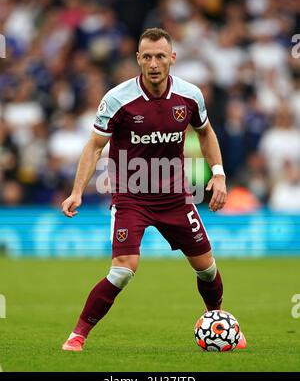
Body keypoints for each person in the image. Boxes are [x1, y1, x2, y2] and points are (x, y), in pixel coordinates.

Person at [61, 28, 246, 351]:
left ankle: (217, 322)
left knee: (207, 268)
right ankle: (77, 335)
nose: (154, 63)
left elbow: (206, 132)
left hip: (176, 197)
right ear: (138, 60)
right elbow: (93, 147)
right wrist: (77, 191)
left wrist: (218, 174)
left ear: (172, 58)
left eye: (160, 56)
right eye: (147, 56)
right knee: (122, 271)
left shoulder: (189, 95)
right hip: (131, 196)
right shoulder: (118, 99)